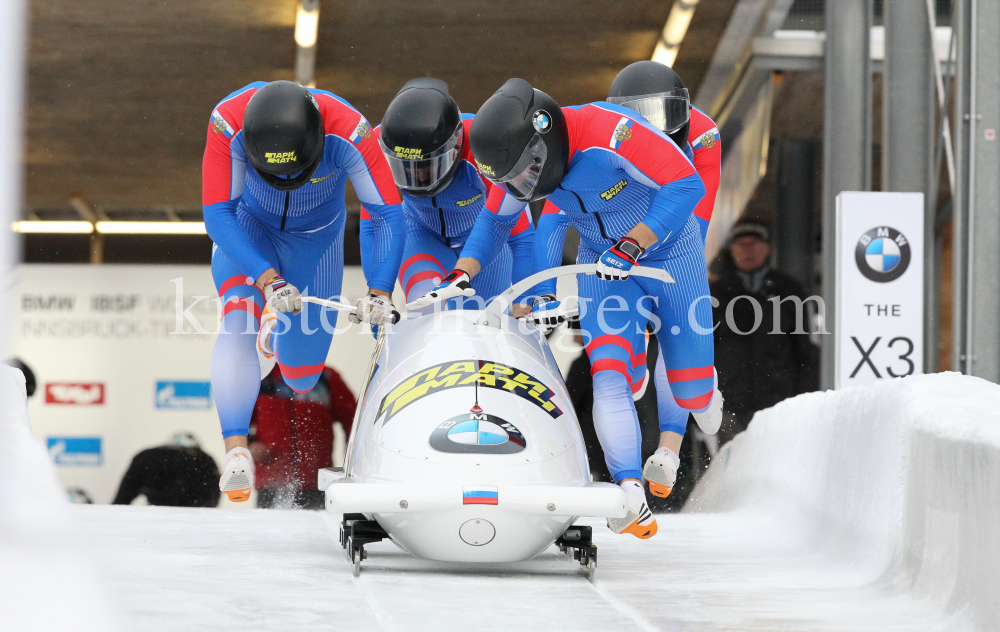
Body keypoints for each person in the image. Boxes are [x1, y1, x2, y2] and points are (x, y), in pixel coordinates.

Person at [412, 78, 719, 539]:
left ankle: (704, 390)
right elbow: (495, 223)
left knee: (691, 388)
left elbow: (685, 185)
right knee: (609, 375)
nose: (524, 187)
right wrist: (462, 274)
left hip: (671, 254)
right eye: (512, 181)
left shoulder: (609, 133)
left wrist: (636, 243)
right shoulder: (523, 164)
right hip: (602, 262)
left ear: (546, 140)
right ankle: (630, 492)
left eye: (526, 175)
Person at [203, 80, 404, 502]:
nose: (289, 181)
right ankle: (236, 452)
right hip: (249, 232)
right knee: (237, 320)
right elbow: (218, 213)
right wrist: (266, 278)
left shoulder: (350, 130)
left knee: (301, 376)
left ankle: (274, 334)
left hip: (317, 245)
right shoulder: (227, 122)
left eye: (298, 172)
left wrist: (381, 290)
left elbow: (388, 214)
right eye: (277, 175)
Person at [604, 60, 724, 497]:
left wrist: (679, 261)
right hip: (626, 242)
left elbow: (698, 213)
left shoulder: (703, 134)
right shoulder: (610, 137)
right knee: (631, 329)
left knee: (673, 332)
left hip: (677, 238)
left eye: (663, 115)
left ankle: (669, 450)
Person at [371, 78, 535, 312]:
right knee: (425, 308)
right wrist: (378, 292)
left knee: (482, 326)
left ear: (456, 147)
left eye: (428, 165)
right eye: (406, 167)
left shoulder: (486, 149)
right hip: (420, 235)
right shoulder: (378, 143)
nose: (419, 176)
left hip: (484, 245)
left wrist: (525, 298)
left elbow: (521, 236)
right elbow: (374, 224)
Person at [711, 220, 820, 444]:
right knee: (730, 473)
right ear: (731, 251)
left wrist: (805, 401)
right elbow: (701, 350)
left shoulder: (791, 290)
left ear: (767, 249)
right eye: (741, 244)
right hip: (728, 405)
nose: (748, 250)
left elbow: (808, 350)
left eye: (754, 244)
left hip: (779, 406)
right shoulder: (714, 293)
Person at [249, 364, 356, 509]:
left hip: (317, 482)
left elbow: (353, 422)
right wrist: (251, 443)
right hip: (270, 482)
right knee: (271, 530)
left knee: (316, 530)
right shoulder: (261, 378)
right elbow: (238, 421)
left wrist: (352, 467)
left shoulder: (326, 377)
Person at [113, 432, 220, 507]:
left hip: (158, 505)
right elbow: (213, 494)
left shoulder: (147, 456)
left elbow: (123, 497)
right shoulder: (204, 459)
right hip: (189, 509)